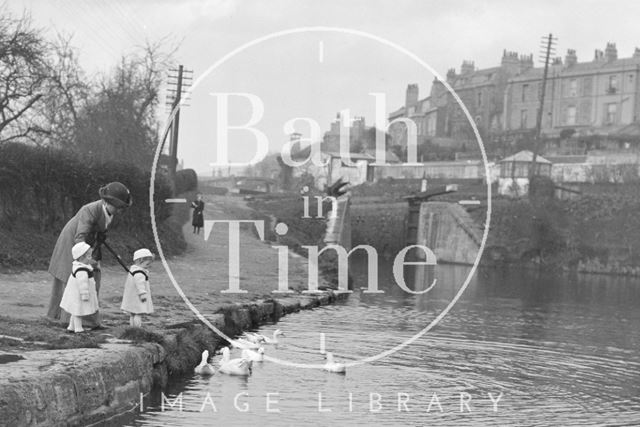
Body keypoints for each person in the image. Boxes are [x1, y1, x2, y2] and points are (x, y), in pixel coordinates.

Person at [47, 182, 132, 328]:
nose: (119, 210)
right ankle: (66, 320)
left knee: (93, 279)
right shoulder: (90, 210)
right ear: (106, 201)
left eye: (121, 207)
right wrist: (86, 259)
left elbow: (97, 228)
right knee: (74, 279)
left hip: (88, 245)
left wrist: (99, 237)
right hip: (73, 244)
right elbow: (80, 236)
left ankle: (89, 320)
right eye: (117, 206)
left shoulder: (108, 211)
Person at [59, 242, 99, 333]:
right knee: (78, 312)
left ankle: (71, 327)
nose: (91, 258)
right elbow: (83, 284)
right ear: (81, 257)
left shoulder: (80, 266)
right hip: (79, 295)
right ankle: (78, 328)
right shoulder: (81, 270)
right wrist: (85, 294)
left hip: (76, 294)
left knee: (75, 311)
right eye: (89, 256)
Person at [120, 248, 154, 327]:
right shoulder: (139, 273)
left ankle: (132, 327)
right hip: (138, 297)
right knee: (138, 313)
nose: (148, 267)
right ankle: (137, 328)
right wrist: (142, 294)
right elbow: (140, 284)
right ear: (140, 261)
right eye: (147, 264)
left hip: (132, 296)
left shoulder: (133, 270)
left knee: (132, 313)